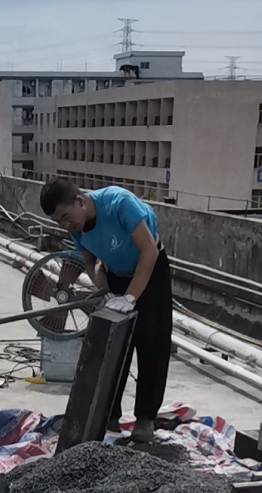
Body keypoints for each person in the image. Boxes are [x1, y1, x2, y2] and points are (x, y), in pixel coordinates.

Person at [39, 177, 172, 443]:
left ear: (79, 201)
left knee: (151, 345)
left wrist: (131, 297)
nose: (66, 226)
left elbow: (148, 251)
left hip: (150, 270)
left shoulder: (119, 204)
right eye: (59, 222)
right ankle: (109, 413)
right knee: (112, 343)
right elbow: (90, 263)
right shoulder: (77, 228)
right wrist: (105, 289)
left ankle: (145, 418)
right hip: (116, 275)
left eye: (66, 218)